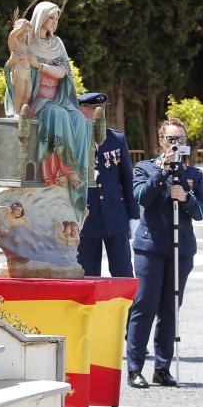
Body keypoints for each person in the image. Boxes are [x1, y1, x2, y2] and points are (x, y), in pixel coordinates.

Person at [126, 118, 203, 389]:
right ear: (161, 142)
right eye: (172, 140)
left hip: (180, 249)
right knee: (145, 306)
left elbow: (201, 213)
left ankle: (163, 368)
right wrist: (161, 172)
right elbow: (140, 198)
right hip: (150, 247)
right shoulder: (144, 167)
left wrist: (186, 198)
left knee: (170, 309)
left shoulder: (193, 175)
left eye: (181, 141)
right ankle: (135, 368)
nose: (176, 145)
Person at [5, 1, 92, 219]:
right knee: (57, 114)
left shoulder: (57, 43)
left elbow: (63, 73)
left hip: (59, 98)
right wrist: (19, 31)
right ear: (41, 17)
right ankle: (61, 170)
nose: (54, 22)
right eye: (51, 17)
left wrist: (41, 66)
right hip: (38, 102)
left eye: (56, 18)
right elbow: (15, 55)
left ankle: (78, 172)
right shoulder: (29, 42)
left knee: (82, 122)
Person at [77, 92, 138, 277]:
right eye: (93, 108)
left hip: (115, 217)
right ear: (80, 110)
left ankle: (127, 308)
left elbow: (127, 179)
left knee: (123, 273)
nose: (99, 112)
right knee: (87, 275)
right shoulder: (74, 139)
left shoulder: (116, 139)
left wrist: (133, 216)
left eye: (102, 108)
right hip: (85, 219)